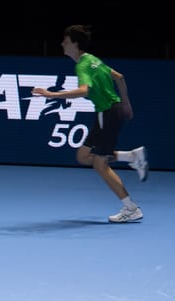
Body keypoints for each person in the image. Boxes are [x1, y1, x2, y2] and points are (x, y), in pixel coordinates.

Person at [32, 24, 148, 223]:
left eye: (66, 41)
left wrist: (52, 94)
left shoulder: (83, 65)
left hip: (107, 113)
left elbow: (85, 90)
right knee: (83, 156)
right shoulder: (93, 59)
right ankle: (131, 156)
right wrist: (126, 103)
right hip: (109, 111)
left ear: (75, 44)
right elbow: (119, 77)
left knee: (100, 165)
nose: (62, 44)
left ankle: (131, 208)